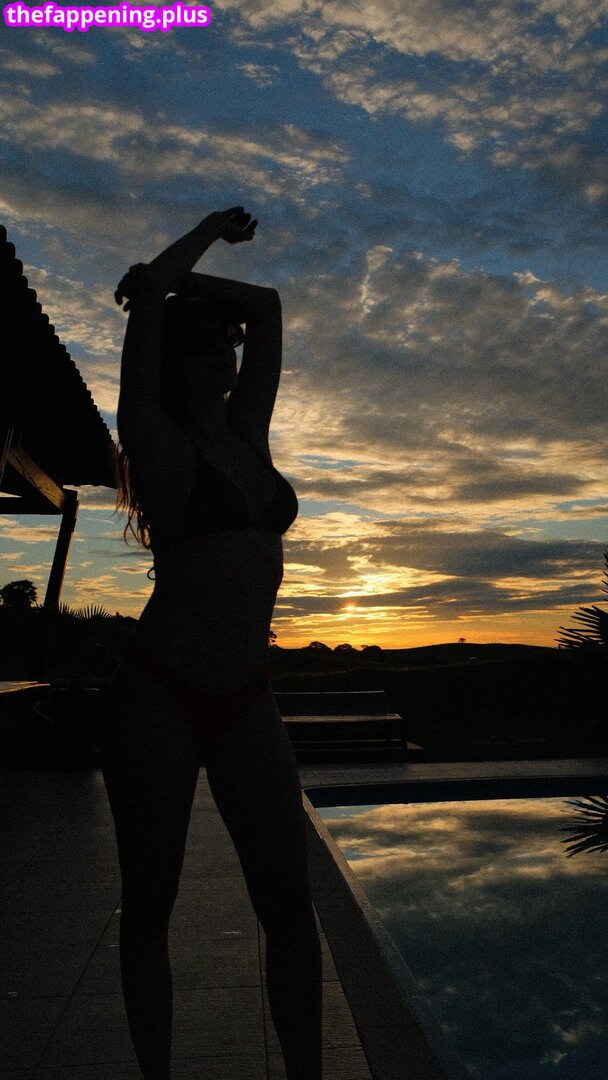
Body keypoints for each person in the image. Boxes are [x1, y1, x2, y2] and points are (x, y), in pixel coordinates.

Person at [100, 207, 322, 1080]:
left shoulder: (246, 435)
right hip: (160, 693)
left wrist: (191, 281)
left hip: (247, 696)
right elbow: (152, 291)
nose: (227, 357)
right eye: (206, 347)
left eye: (226, 347)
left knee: (291, 907)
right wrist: (192, 245)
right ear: (173, 359)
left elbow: (265, 306)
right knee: (150, 908)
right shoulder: (154, 440)